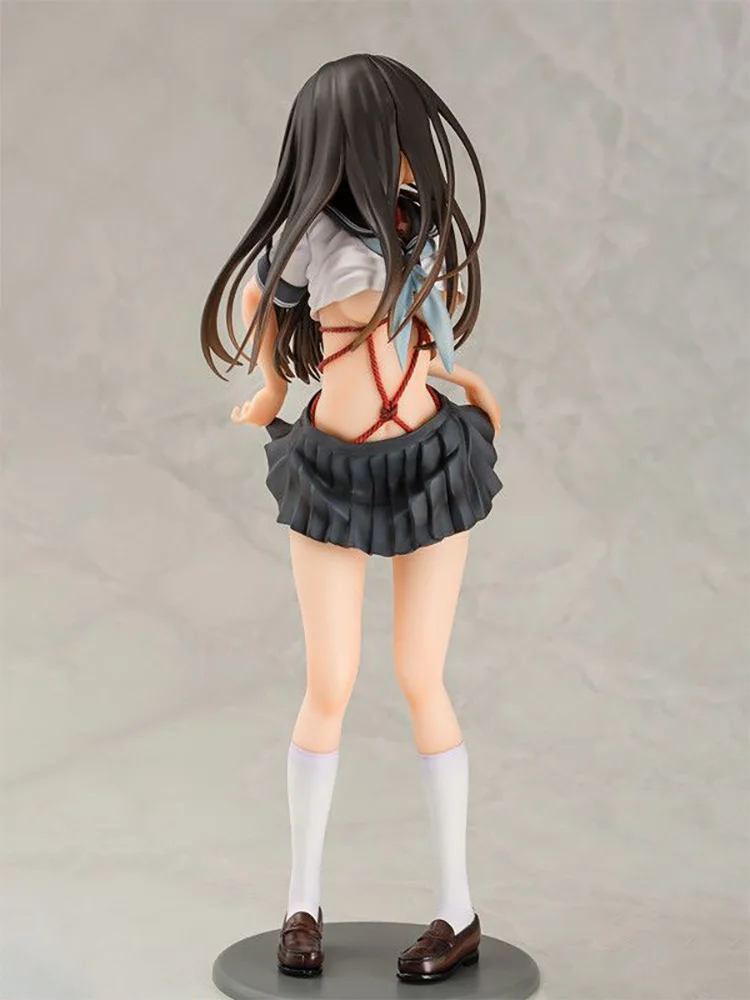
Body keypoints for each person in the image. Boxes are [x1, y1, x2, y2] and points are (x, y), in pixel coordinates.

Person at [201, 53, 503, 984]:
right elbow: (259, 298)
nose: (407, 159)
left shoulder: (422, 230)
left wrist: (467, 384)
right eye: (392, 141)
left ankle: (458, 910)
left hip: (429, 459)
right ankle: (301, 901)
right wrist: (270, 387)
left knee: (421, 674)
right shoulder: (310, 237)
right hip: (332, 467)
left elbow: (440, 326)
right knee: (329, 680)